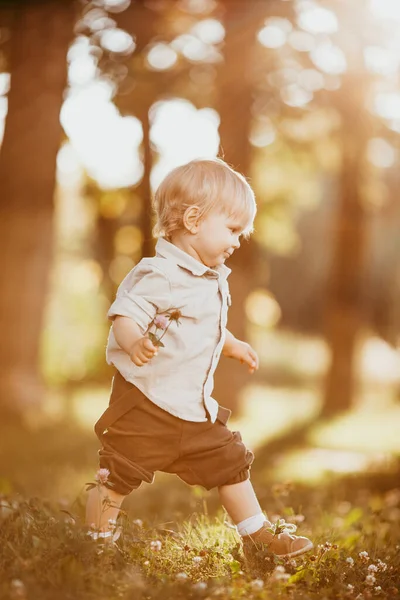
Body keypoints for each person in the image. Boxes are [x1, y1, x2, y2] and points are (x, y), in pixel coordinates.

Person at [85, 157, 313, 559]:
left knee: (231, 460)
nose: (238, 240)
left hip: (193, 412)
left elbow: (202, 327)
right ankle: (94, 546)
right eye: (232, 229)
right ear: (193, 220)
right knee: (115, 475)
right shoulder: (159, 274)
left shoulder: (206, 278)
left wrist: (232, 344)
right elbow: (124, 315)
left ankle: (257, 538)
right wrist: (135, 340)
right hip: (147, 405)